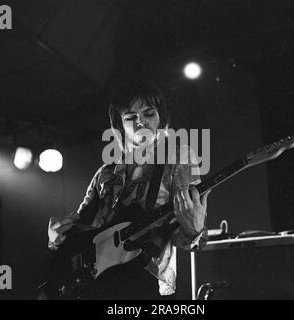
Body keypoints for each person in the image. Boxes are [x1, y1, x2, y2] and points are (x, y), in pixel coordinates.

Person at [47, 82, 210, 299]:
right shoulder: (105, 173)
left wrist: (193, 230)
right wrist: (55, 237)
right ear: (120, 125)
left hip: (142, 280)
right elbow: (81, 230)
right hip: (97, 282)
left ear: (161, 119)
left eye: (149, 113)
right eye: (130, 117)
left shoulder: (178, 159)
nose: (141, 121)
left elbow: (191, 238)